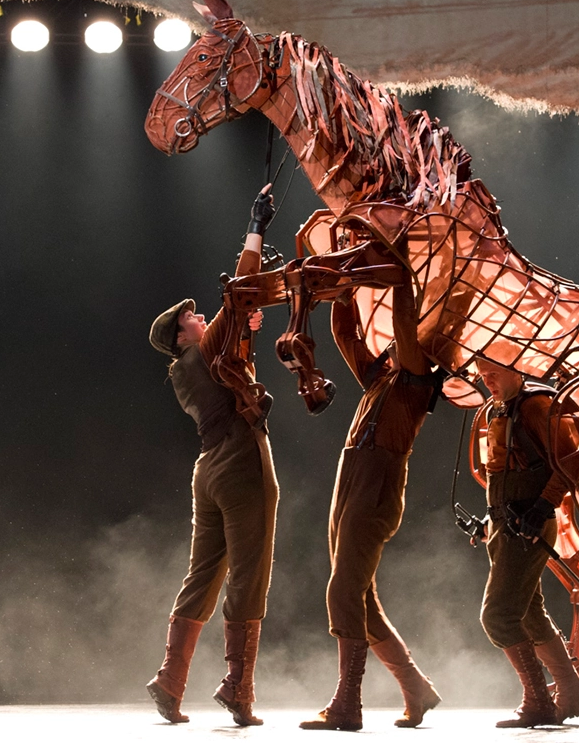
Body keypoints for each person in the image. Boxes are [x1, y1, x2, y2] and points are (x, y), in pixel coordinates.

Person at [145, 187, 280, 727]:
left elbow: (234, 334)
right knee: (250, 572)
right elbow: (241, 291)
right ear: (183, 335)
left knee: (202, 574)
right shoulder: (202, 350)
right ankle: (238, 688)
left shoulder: (187, 369)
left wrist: (241, 338)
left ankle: (170, 681)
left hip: (208, 470)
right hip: (242, 460)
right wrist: (255, 225)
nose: (201, 315)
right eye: (193, 316)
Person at [299, 282, 442, 731]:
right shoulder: (382, 380)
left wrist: (400, 280)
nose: (391, 345)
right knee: (362, 600)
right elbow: (346, 336)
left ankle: (347, 703)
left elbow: (404, 325)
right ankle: (416, 689)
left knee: (343, 591)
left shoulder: (417, 380)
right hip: (353, 479)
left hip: (376, 484)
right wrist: (341, 292)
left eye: (402, 342)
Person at [472, 354, 579, 728]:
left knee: (498, 616)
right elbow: (502, 472)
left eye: (493, 373)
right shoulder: (500, 410)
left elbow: (573, 459)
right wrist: (489, 519)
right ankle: (571, 694)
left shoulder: (537, 406)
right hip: (507, 526)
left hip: (529, 525)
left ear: (516, 368)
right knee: (528, 613)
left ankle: (538, 700)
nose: (487, 381)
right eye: (482, 376)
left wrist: (543, 506)